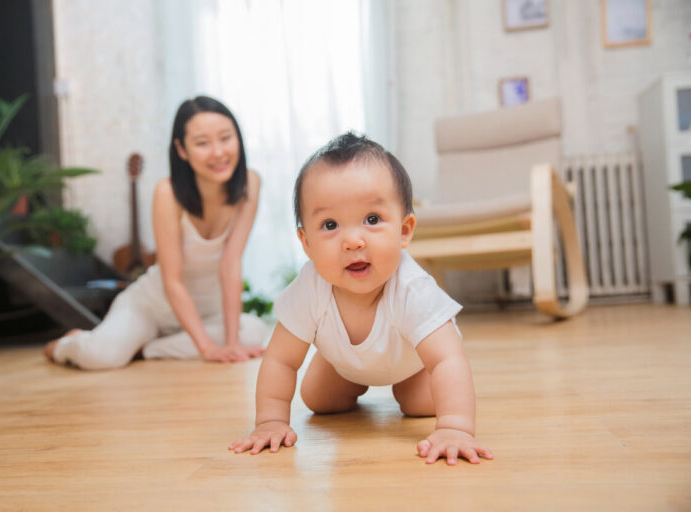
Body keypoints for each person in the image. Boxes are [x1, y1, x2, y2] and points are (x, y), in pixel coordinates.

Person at [229, 133, 493, 465]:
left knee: (421, 404)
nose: (353, 240)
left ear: (405, 230)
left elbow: (446, 359)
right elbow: (281, 360)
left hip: (412, 363)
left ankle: (406, 384)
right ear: (306, 242)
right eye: (329, 224)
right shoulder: (310, 286)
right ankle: (341, 363)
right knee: (317, 401)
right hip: (344, 364)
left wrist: (456, 427)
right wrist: (270, 421)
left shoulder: (411, 287)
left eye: (372, 219)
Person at [44, 96, 268, 369]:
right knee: (100, 358)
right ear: (181, 150)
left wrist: (232, 343)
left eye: (225, 138)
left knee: (254, 331)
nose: (218, 152)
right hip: (153, 307)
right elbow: (172, 281)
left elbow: (231, 263)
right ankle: (70, 343)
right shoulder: (168, 193)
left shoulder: (250, 183)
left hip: (208, 311)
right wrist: (208, 348)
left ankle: (146, 349)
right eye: (202, 143)